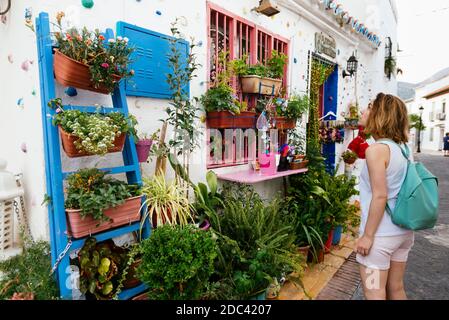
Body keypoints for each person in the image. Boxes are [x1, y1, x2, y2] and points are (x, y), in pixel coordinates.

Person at [356, 93, 414, 300]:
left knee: (374, 293)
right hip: (403, 233)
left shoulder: (377, 150)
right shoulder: (403, 149)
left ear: (380, 115)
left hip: (379, 239)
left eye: (370, 106)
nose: (363, 110)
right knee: (396, 289)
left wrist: (367, 236)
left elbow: (380, 196)